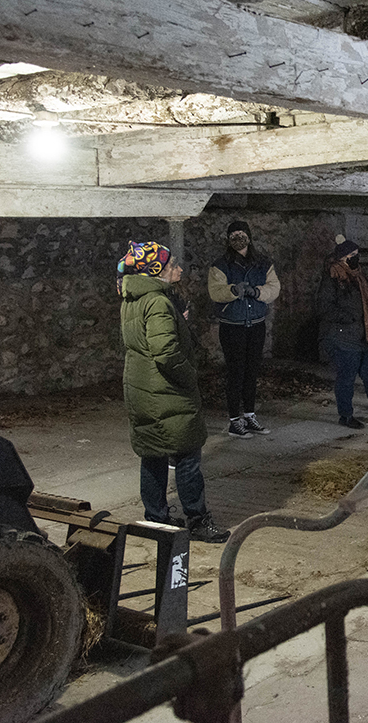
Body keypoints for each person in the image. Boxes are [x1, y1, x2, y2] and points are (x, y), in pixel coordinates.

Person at [117, 241, 229, 543]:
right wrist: (188, 376)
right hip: (165, 392)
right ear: (157, 271)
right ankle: (197, 519)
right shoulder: (157, 302)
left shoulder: (133, 297)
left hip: (142, 388)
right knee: (188, 455)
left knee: (152, 455)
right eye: (172, 265)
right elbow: (165, 351)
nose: (179, 268)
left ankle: (156, 520)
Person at [208, 220, 280, 439]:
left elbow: (274, 287)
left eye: (241, 233)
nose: (238, 237)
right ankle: (234, 421)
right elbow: (215, 291)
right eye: (234, 234)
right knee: (236, 373)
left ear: (249, 236)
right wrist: (233, 290)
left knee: (251, 372)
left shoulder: (263, 263)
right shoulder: (220, 265)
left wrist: (257, 293)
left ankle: (249, 415)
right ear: (228, 239)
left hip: (255, 325)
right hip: (233, 327)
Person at [316, 236, 368, 429]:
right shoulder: (333, 277)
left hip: (367, 335)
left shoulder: (359, 276)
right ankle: (346, 415)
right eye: (352, 255)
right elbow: (324, 307)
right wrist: (347, 317)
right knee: (346, 378)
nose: (355, 258)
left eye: (356, 254)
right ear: (342, 257)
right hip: (346, 337)